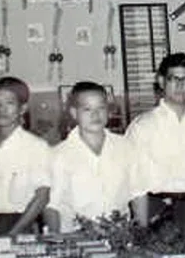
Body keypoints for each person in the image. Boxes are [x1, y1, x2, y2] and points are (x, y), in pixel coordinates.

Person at [126, 52, 185, 228]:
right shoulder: (142, 127)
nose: (180, 85)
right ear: (161, 81)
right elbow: (136, 184)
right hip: (157, 208)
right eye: (173, 79)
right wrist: (142, 228)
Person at [44, 81, 143, 233]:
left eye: (101, 108)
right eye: (87, 109)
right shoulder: (58, 155)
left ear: (108, 111)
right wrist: (57, 241)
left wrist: (142, 233)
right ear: (74, 113)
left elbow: (139, 194)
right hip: (76, 240)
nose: (95, 115)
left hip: (120, 236)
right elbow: (52, 206)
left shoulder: (126, 147)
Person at [0, 77, 50, 237]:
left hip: (19, 224)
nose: (1, 109)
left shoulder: (36, 147)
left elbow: (42, 197)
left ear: (22, 108)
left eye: (9, 103)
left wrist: (14, 233)